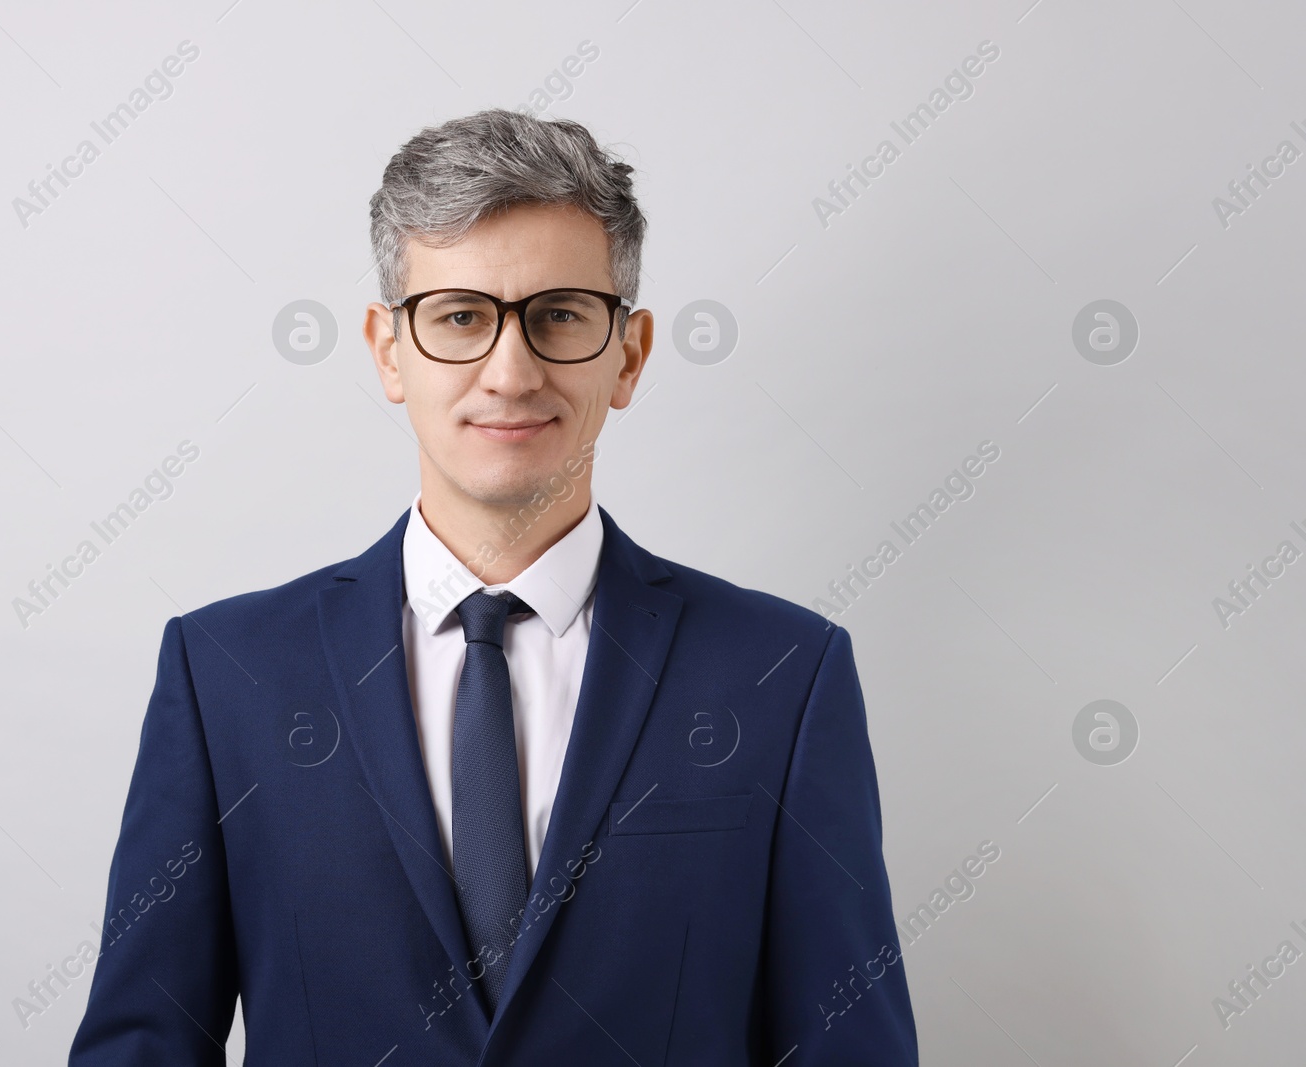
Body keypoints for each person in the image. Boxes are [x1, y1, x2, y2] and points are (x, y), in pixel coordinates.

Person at [69, 108, 918, 1065]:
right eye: (461, 317)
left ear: (628, 354)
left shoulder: (783, 677)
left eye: (559, 315)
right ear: (389, 350)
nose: (509, 373)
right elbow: (142, 1044)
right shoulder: (227, 674)